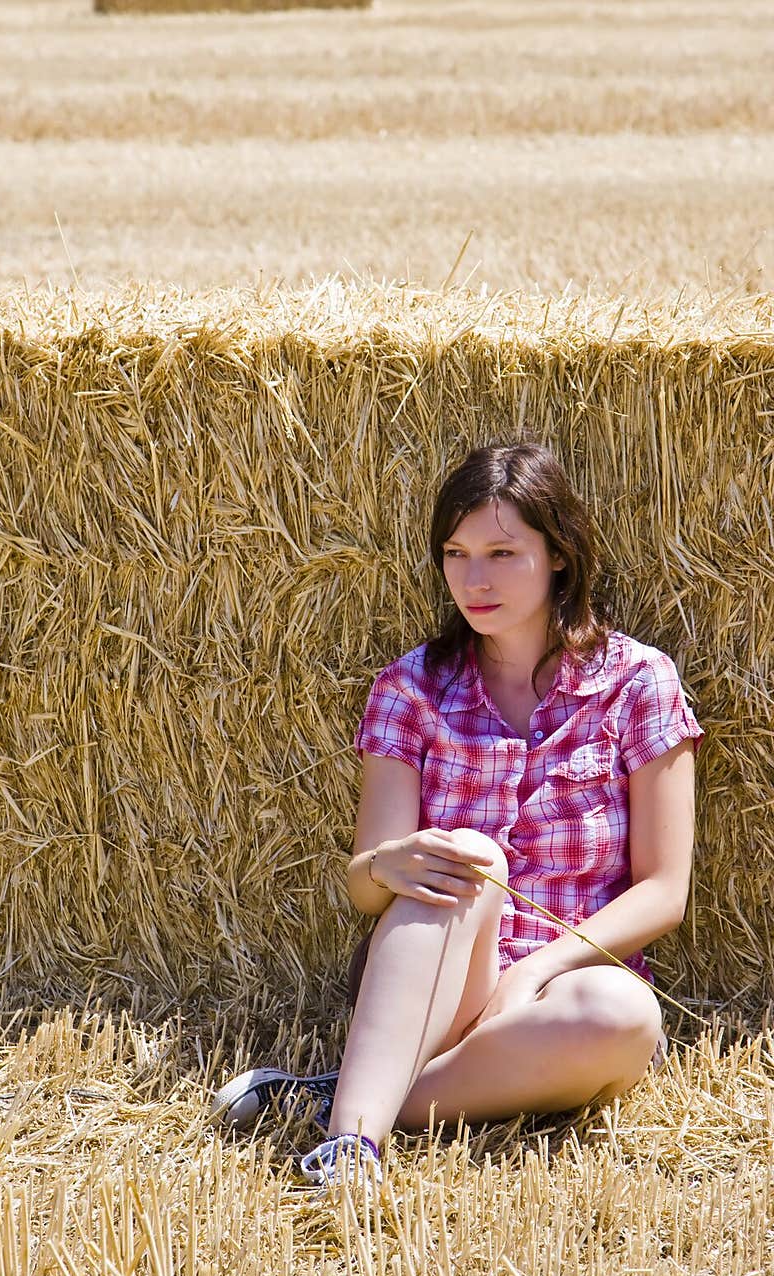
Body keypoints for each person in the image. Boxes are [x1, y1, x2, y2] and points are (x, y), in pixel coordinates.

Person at [211, 441, 703, 1190]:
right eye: (456, 552)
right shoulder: (411, 689)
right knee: (471, 855)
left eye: (503, 552)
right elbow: (366, 886)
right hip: (431, 984)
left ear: (560, 555)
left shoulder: (639, 683)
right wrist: (386, 864)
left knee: (627, 1015)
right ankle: (350, 1146)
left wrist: (537, 970)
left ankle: (343, 1095)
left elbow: (665, 890)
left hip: (557, 1006)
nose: (475, 579)